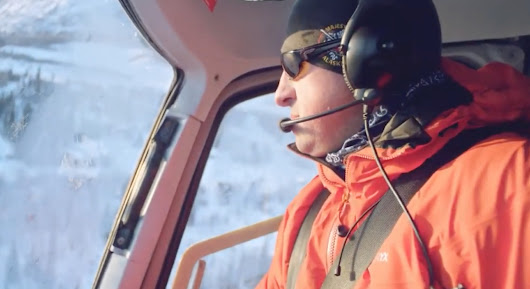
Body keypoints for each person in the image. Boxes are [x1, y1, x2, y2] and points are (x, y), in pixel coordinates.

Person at [256, 0, 530, 288]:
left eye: (292, 64)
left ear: (367, 60)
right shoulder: (308, 211)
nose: (280, 94)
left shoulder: (507, 185)